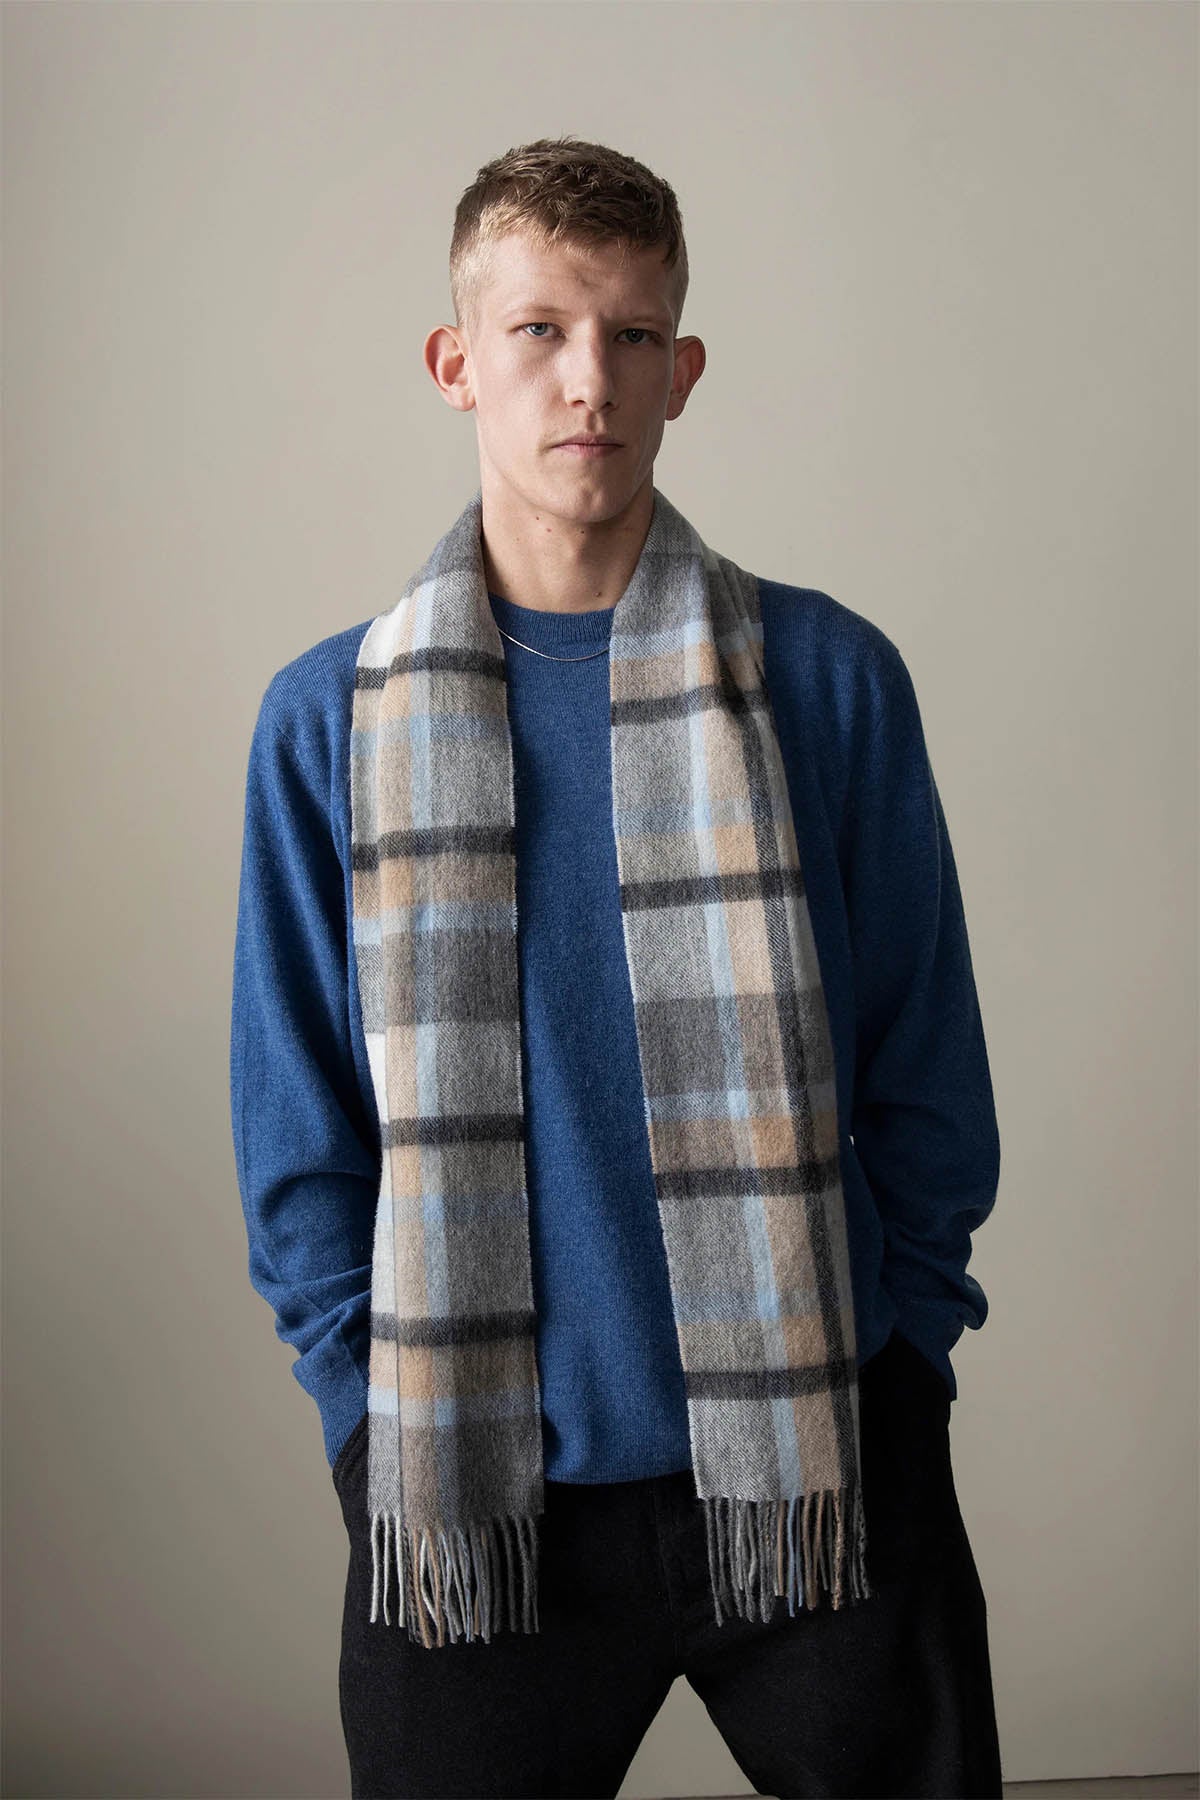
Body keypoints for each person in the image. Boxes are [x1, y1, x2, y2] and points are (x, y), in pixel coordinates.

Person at [230, 135, 1004, 1800]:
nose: (590, 378)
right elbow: (298, 1140)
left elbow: (926, 1064)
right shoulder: (329, 723)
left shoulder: (826, 679)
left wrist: (904, 1366)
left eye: (633, 334)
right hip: (476, 1500)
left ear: (682, 370)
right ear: (456, 362)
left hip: (820, 1460)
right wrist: (366, 1422)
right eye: (540, 330)